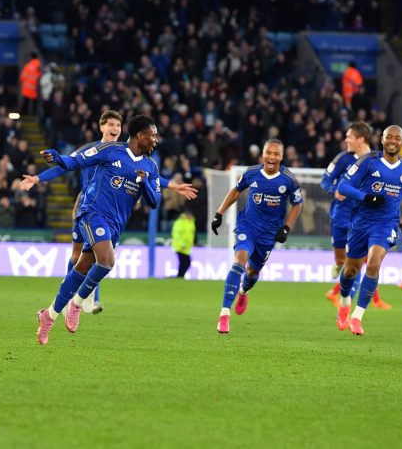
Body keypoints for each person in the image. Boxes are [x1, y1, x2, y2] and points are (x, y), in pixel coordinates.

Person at [20, 111, 197, 314]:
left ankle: (78, 302)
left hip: (114, 214)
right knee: (85, 255)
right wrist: (37, 178)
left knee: (96, 258)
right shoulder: (95, 150)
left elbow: (148, 177)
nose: (114, 129)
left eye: (118, 125)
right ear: (101, 126)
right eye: (110, 124)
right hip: (88, 208)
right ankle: (74, 301)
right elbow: (66, 165)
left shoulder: (129, 154)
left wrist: (172, 185)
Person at [34, 115, 162, 345]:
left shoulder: (150, 167)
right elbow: (77, 161)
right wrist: (58, 158)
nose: (156, 140)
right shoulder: (110, 150)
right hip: (92, 213)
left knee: (83, 266)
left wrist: (143, 182)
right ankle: (78, 303)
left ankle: (49, 315)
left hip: (115, 225)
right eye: (153, 135)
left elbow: (155, 201)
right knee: (106, 262)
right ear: (140, 136)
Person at [210, 138, 303, 334]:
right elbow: (236, 191)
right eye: (268, 152)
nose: (272, 157)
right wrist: (219, 213)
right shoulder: (251, 173)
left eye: (276, 153)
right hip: (247, 227)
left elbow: (297, 204)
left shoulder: (289, 179)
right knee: (239, 261)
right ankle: (225, 313)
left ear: (282, 156)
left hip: (268, 235)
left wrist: (286, 227)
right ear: (263, 154)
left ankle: (243, 291)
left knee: (252, 273)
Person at [335, 125, 402, 335]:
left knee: (374, 264)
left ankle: (357, 317)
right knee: (351, 270)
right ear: (382, 140)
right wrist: (366, 197)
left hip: (386, 224)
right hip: (360, 223)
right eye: (388, 137)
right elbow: (343, 187)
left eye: (397, 138)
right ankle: (344, 302)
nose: (392, 141)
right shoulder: (368, 162)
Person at [171, 207, 196, 278]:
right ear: (186, 215)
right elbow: (176, 234)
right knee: (185, 262)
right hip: (180, 246)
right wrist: (182, 244)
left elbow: (191, 234)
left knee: (186, 263)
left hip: (187, 247)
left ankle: (180, 276)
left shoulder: (191, 222)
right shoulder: (180, 222)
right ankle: (180, 276)